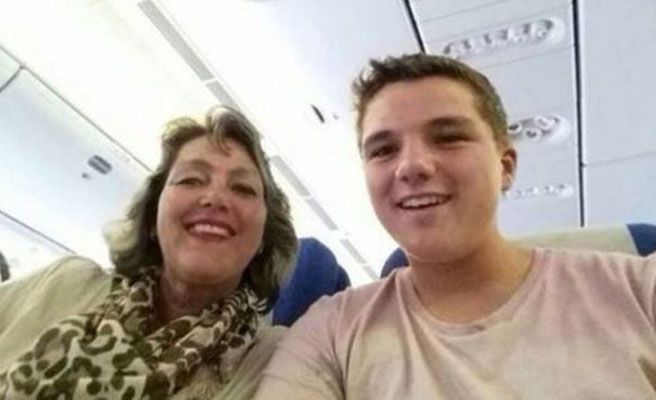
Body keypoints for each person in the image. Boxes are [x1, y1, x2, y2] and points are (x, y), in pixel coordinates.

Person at [253, 53, 656, 399]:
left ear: (505, 166)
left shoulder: (638, 288)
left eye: (448, 138)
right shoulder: (330, 331)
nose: (411, 165)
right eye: (384, 149)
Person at [0, 105, 297, 399]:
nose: (215, 197)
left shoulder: (279, 360)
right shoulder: (64, 283)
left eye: (243, 188)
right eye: (191, 180)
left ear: (264, 237)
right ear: (152, 218)